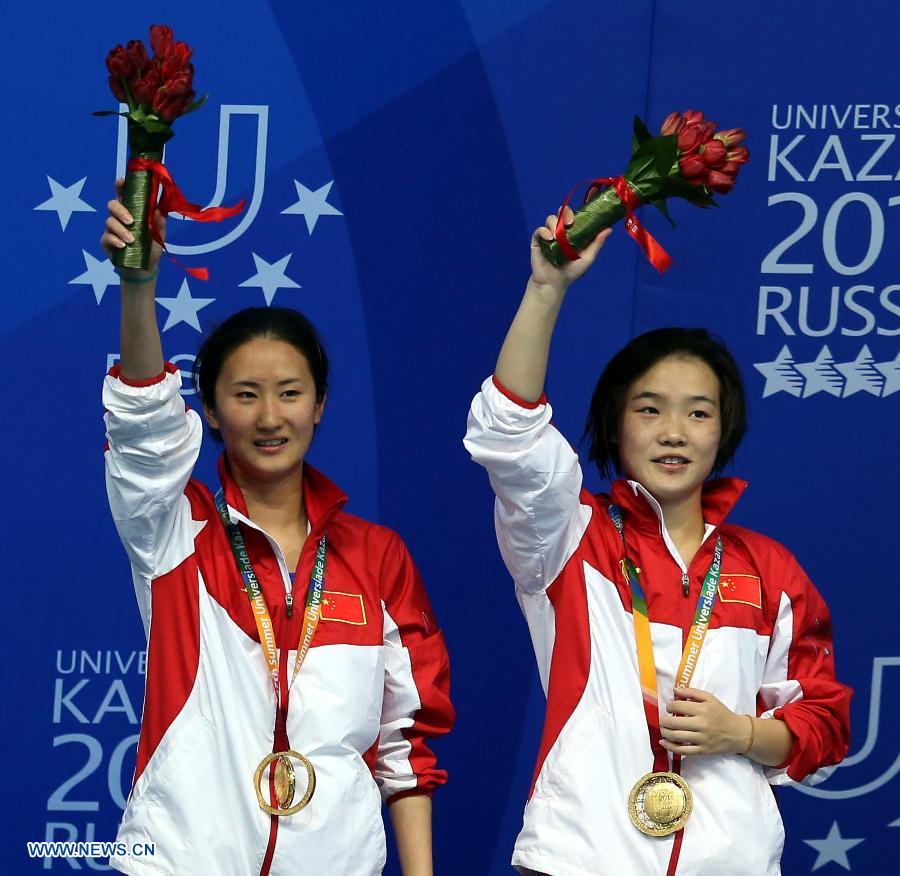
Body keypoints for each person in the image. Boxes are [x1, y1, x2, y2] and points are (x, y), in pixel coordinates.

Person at [464, 211, 851, 876]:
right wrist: (546, 290)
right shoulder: (566, 536)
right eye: (649, 409)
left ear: (723, 431)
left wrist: (743, 734)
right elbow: (510, 437)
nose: (674, 431)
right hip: (582, 860)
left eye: (698, 412)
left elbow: (824, 723)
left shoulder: (769, 570)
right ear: (614, 427)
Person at [100, 182, 453, 876]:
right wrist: (139, 284)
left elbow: (406, 746)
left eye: (290, 393)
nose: (269, 417)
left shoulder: (377, 558)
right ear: (207, 409)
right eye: (245, 394)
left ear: (319, 405)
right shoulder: (176, 530)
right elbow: (141, 429)